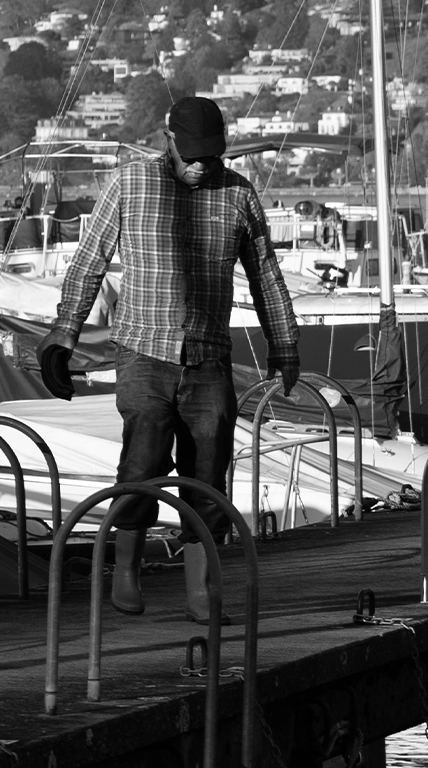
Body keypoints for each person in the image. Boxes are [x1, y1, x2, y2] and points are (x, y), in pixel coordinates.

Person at [37, 96, 300, 625]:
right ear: (168, 139)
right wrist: (62, 337)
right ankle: (127, 571)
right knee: (142, 465)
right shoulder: (130, 185)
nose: (202, 164)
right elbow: (89, 264)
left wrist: (285, 344)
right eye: (193, 153)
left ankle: (201, 591)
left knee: (208, 476)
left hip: (209, 359)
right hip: (143, 354)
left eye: (212, 154)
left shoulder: (238, 195)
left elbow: (266, 275)